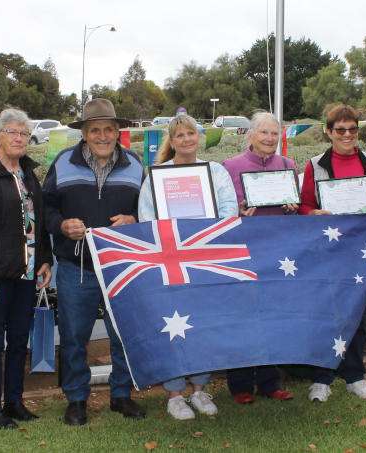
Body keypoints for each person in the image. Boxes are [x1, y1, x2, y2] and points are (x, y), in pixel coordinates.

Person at [42, 98, 146, 426]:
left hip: (120, 266)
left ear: (118, 132)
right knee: (74, 336)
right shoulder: (63, 162)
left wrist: (134, 219)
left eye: (109, 129)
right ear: (84, 133)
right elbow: (45, 208)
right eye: (95, 130)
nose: (102, 135)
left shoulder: (136, 164)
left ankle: (121, 395)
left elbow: (151, 211)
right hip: (77, 267)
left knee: (123, 334)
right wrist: (61, 225)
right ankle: (76, 399)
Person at [137, 114, 237, 420]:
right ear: (172, 140)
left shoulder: (216, 172)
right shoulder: (157, 175)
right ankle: (175, 394)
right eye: (179, 135)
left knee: (204, 323)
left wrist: (204, 233)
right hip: (172, 260)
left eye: (191, 133)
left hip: (205, 258)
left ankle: (200, 390)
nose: (186, 140)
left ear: (199, 136)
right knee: (174, 325)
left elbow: (230, 210)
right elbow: (146, 217)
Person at [0, 108, 53, 429]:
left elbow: (38, 223)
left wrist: (45, 259)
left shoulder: (28, 174)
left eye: (24, 134)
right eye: (12, 132)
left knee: (18, 341)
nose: (19, 138)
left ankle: (14, 401)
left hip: (27, 275)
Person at [298, 104, 366, 402]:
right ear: (328, 132)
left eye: (352, 129)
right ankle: (323, 377)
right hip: (328, 252)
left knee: (357, 314)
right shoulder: (315, 164)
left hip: (361, 252)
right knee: (327, 314)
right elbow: (303, 204)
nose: (347, 135)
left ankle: (355, 376)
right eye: (340, 130)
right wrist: (315, 212)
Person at [220, 111, 296, 404]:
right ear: (250, 135)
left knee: (271, 318)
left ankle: (269, 382)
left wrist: (292, 207)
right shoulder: (230, 167)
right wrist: (236, 209)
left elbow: (297, 210)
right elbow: (222, 209)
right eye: (263, 133)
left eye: (274, 134)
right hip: (242, 252)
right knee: (240, 318)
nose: (269, 139)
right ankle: (239, 385)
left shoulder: (288, 165)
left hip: (276, 253)